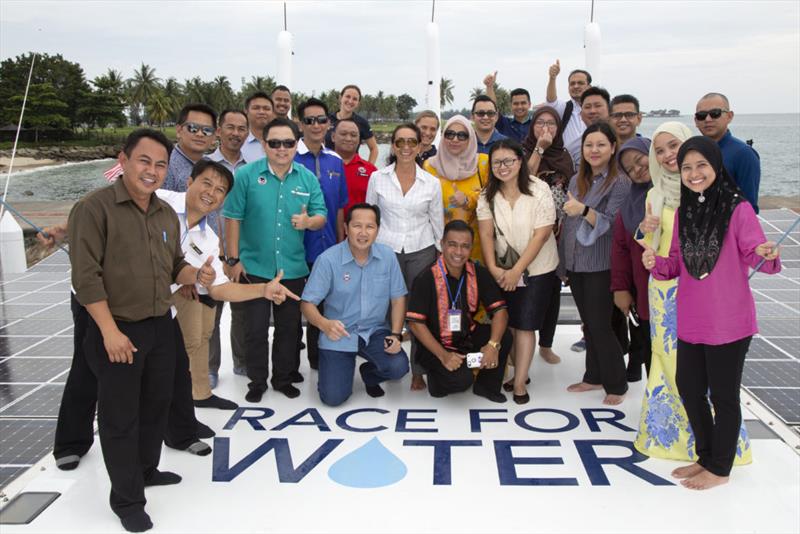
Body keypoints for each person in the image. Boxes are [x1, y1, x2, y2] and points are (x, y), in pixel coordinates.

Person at [68, 129, 218, 532]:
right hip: (117, 331)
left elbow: (175, 267)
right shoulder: (93, 208)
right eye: (144, 161)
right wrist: (108, 332)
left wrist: (196, 274)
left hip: (159, 325)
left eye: (160, 165)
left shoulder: (165, 213)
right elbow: (86, 279)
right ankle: (128, 500)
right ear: (124, 159)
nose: (152, 171)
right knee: (120, 419)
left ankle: (147, 470)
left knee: (156, 407)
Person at [642, 136, 780, 490]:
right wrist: (654, 261)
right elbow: (674, 264)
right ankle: (705, 456)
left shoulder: (738, 209)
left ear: (717, 166)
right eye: (687, 167)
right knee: (689, 387)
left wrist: (765, 252)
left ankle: (720, 467)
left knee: (723, 395)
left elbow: (754, 253)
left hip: (729, 321)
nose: (693, 173)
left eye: (701, 165)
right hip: (691, 320)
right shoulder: (686, 209)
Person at [632, 122, 753, 467]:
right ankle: (672, 438)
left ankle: (721, 452)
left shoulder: (711, 194)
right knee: (672, 367)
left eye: (675, 147)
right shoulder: (655, 194)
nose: (669, 155)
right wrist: (645, 232)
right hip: (665, 290)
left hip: (706, 295)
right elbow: (651, 247)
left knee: (712, 378)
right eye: (660, 150)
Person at [157, 159, 300, 410]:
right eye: (207, 184)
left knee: (200, 333)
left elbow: (219, 288)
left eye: (220, 190)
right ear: (189, 182)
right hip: (125, 293)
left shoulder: (209, 239)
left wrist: (263, 290)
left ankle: (198, 395)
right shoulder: (158, 200)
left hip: (167, 292)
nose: (211, 193)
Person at [223, 117, 327, 402]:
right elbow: (232, 217)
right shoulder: (245, 176)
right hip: (254, 267)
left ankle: (283, 377)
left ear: (297, 145)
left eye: (288, 143)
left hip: (292, 267)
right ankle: (257, 381)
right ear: (264, 144)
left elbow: (321, 216)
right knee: (254, 329)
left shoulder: (307, 178)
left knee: (289, 329)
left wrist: (309, 221)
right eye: (275, 143)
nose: (282, 148)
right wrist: (232, 259)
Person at [301, 203, 410, 405]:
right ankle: (337, 371)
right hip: (339, 333)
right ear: (345, 228)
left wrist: (395, 335)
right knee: (332, 398)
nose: (363, 232)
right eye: (357, 226)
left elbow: (398, 298)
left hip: (375, 331)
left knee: (399, 367)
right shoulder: (328, 260)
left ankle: (369, 373)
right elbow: (307, 303)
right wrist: (324, 324)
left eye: (370, 227)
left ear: (378, 230)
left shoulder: (387, 257)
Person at [477, 140, 560, 404]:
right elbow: (486, 234)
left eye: (509, 161)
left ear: (520, 161)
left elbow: (542, 234)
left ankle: (521, 381)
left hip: (538, 269)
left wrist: (517, 271)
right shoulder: (486, 195)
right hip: (502, 269)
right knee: (509, 323)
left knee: (525, 325)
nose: (503, 167)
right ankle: (513, 370)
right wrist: (493, 268)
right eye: (497, 163)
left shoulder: (540, 189)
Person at [366, 123, 444, 391]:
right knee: (387, 310)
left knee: (419, 313)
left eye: (412, 142)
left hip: (422, 250)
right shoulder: (377, 178)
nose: (407, 147)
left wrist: (440, 257)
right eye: (400, 142)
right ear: (393, 146)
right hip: (385, 251)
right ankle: (388, 363)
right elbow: (370, 218)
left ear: (421, 145)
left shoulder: (432, 183)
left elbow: (438, 224)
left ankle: (418, 371)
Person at [558, 122, 630, 405]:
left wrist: (585, 210)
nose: (594, 150)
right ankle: (593, 376)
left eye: (601, 145)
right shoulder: (577, 180)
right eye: (589, 145)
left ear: (613, 148)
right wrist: (564, 265)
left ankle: (617, 384)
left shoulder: (620, 183)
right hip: (577, 263)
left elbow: (614, 225)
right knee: (589, 324)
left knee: (600, 325)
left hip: (602, 264)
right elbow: (568, 223)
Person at [407, 220, 511, 403]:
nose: (458, 252)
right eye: (452, 245)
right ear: (442, 245)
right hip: (436, 345)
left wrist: (492, 345)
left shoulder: (478, 272)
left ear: (471, 248)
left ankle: (486, 386)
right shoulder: (425, 277)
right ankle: (438, 378)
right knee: (462, 381)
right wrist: (444, 355)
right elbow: (415, 325)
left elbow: (500, 311)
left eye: (465, 246)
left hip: (466, 337)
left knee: (504, 336)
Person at [295, 97, 348, 371]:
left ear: (329, 124)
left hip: (328, 249)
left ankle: (319, 362)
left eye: (321, 120)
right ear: (299, 123)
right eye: (309, 120)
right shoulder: (289, 157)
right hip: (295, 250)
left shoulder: (336, 161)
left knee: (324, 307)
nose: (316, 125)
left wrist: (341, 244)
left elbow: (340, 208)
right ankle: (289, 367)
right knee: (292, 311)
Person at [520, 105, 575, 364]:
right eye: (540, 122)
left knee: (553, 291)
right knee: (525, 290)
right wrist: (539, 149)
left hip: (557, 233)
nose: (546, 128)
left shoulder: (565, 156)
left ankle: (546, 344)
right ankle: (519, 344)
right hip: (526, 233)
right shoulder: (521, 151)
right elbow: (524, 180)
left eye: (551, 124)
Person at [206, 108, 251, 388]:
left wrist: (235, 255)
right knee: (210, 314)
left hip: (241, 251)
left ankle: (242, 362)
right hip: (207, 252)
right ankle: (209, 368)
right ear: (219, 131)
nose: (236, 133)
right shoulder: (205, 165)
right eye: (230, 127)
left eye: (241, 128)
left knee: (242, 312)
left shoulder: (252, 168)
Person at [611, 137, 653, 382]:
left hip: (685, 296)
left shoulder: (682, 193)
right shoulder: (629, 206)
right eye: (629, 168)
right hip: (646, 292)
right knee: (651, 350)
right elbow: (620, 251)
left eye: (640, 160)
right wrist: (621, 288)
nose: (637, 169)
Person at [423, 115, 489, 264]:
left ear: (471, 138)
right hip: (442, 246)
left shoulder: (484, 163)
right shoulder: (430, 166)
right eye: (450, 134)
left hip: (477, 245)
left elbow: (494, 199)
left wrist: (468, 200)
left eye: (462, 135)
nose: (455, 139)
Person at [694, 92, 760, 212]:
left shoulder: (744, 154)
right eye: (701, 115)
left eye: (715, 113)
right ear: (696, 121)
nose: (708, 119)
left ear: (729, 116)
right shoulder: (693, 153)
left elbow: (749, 206)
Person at [163, 104, 218, 193]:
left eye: (207, 130)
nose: (200, 134)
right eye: (193, 128)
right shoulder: (165, 165)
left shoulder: (212, 165)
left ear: (214, 137)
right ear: (178, 130)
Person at [324, 84, 379, 164]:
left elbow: (374, 149)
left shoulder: (362, 123)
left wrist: (368, 170)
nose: (350, 101)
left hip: (352, 168)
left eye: (355, 99)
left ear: (358, 103)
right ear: (340, 98)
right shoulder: (326, 119)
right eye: (348, 96)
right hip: (327, 167)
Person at [333, 118, 377, 217]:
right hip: (328, 230)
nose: (348, 138)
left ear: (359, 140)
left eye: (353, 135)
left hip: (359, 230)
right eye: (343, 134)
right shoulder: (321, 166)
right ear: (333, 137)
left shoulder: (371, 171)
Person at [545, 60, 592, 149]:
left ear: (589, 87)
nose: (576, 86)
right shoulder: (565, 108)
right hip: (568, 161)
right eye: (572, 84)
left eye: (580, 83)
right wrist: (552, 78)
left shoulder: (597, 109)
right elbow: (551, 101)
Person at [564, 86, 611, 168]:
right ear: (581, 115)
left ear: (609, 110)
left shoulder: (622, 141)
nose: (592, 111)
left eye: (598, 105)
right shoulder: (573, 148)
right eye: (587, 107)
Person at [482, 70, 532, 142]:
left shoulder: (536, 124)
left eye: (523, 103)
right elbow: (492, 109)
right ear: (510, 105)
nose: (519, 106)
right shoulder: (503, 123)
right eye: (516, 103)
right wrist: (489, 87)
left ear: (529, 104)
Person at [240, 92, 274, 163]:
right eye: (256, 108)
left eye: (266, 108)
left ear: (273, 112)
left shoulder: (283, 142)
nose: (261, 112)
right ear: (246, 111)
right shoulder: (239, 142)